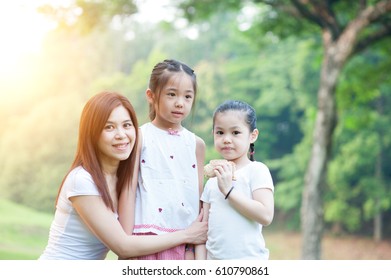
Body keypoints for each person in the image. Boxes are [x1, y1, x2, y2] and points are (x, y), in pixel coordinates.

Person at [39, 91, 207, 260]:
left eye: (127, 125)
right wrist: (186, 235)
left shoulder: (123, 179)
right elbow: (123, 247)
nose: (121, 135)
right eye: (109, 127)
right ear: (92, 133)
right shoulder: (82, 180)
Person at [118, 59, 206, 260]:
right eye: (171, 94)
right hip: (145, 240)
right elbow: (129, 189)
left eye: (187, 96)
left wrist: (194, 250)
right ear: (151, 95)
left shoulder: (196, 144)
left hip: (185, 246)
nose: (179, 103)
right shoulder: (140, 137)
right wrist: (126, 240)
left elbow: (198, 199)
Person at [195, 100, 274, 260]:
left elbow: (266, 215)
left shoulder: (257, 170)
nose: (226, 139)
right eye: (220, 132)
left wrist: (229, 191)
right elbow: (203, 231)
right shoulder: (211, 181)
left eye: (236, 133)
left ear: (253, 135)